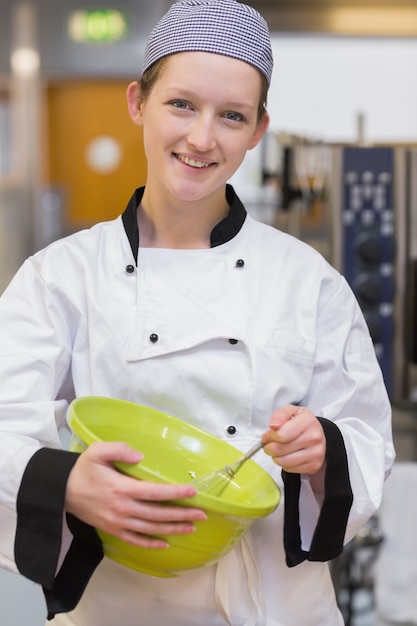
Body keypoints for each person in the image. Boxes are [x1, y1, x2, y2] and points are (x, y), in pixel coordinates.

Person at [0, 1, 394, 624]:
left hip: (276, 607)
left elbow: (367, 438)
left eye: (232, 116)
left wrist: (322, 450)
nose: (202, 138)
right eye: (181, 104)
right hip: (119, 609)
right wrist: (66, 482)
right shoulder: (60, 277)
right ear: (137, 103)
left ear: (259, 130)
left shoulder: (307, 281)